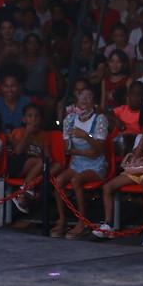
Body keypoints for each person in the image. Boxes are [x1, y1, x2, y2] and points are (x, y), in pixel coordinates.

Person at [95, 105, 143, 247]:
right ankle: (109, 224)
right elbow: (135, 156)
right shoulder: (140, 137)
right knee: (108, 187)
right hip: (135, 171)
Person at [51, 88, 109, 240]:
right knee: (59, 181)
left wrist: (85, 136)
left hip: (96, 165)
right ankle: (62, 220)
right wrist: (85, 152)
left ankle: (82, 222)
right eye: (81, 96)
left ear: (94, 102)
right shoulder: (69, 120)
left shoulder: (100, 119)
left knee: (76, 180)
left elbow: (99, 149)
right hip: (77, 163)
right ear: (76, 100)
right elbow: (67, 149)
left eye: (89, 96)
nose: (84, 99)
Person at [9, 103, 59, 214]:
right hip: (19, 164)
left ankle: (24, 191)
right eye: (30, 116)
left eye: (36, 116)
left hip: (37, 167)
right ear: (24, 119)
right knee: (42, 162)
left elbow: (47, 156)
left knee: (57, 165)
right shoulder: (19, 131)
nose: (33, 119)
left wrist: (46, 160)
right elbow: (18, 151)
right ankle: (27, 187)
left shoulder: (44, 135)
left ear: (41, 119)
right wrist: (27, 133)